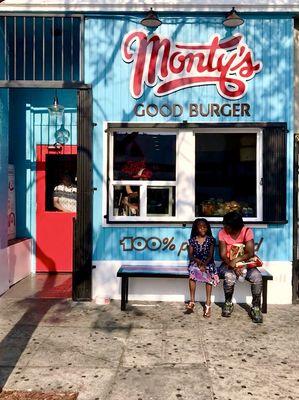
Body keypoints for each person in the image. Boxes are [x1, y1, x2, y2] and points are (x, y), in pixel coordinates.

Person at [218, 211, 263, 323]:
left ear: (235, 226)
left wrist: (237, 260)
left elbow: (250, 252)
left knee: (257, 277)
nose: (225, 227)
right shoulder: (222, 233)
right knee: (229, 276)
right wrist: (233, 266)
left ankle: (256, 307)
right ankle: (228, 303)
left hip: (246, 264)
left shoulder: (247, 231)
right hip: (228, 264)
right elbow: (223, 255)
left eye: (227, 225)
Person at [185, 218, 219, 316]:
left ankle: (208, 303)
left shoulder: (211, 240)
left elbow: (210, 255)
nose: (203, 229)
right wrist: (198, 262)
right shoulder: (191, 240)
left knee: (208, 275)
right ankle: (192, 301)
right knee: (192, 273)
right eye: (200, 227)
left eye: (205, 227)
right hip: (196, 263)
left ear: (207, 228)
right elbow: (191, 255)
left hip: (208, 263)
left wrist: (204, 265)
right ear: (196, 229)